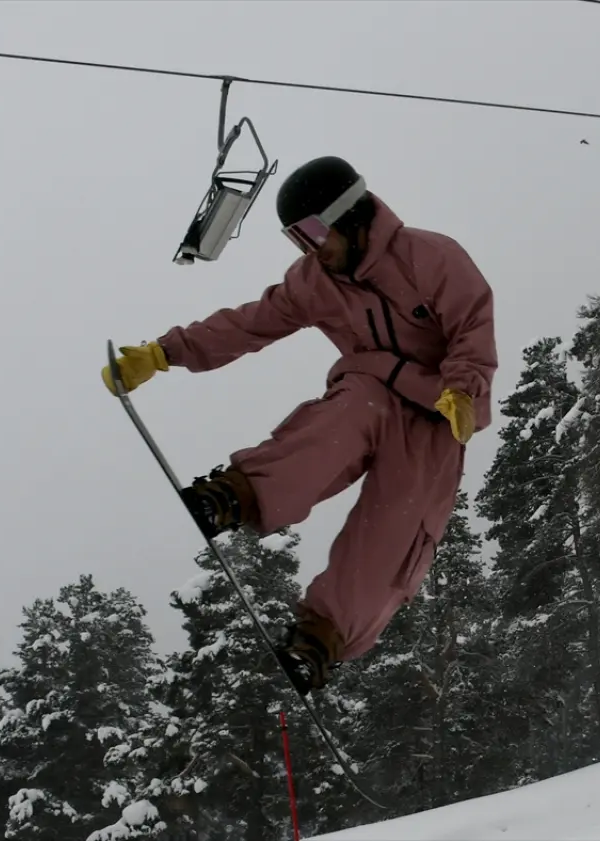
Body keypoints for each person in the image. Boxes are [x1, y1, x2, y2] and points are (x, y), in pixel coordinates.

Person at [101, 156, 498, 695]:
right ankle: (237, 493)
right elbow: (250, 323)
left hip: (438, 415)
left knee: (397, 531)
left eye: (314, 233)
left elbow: (472, 327)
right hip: (373, 389)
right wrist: (164, 352)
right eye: (297, 240)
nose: (312, 250)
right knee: (342, 421)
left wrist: (462, 390)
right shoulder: (315, 282)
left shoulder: (431, 257)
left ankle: (320, 639)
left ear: (352, 217)